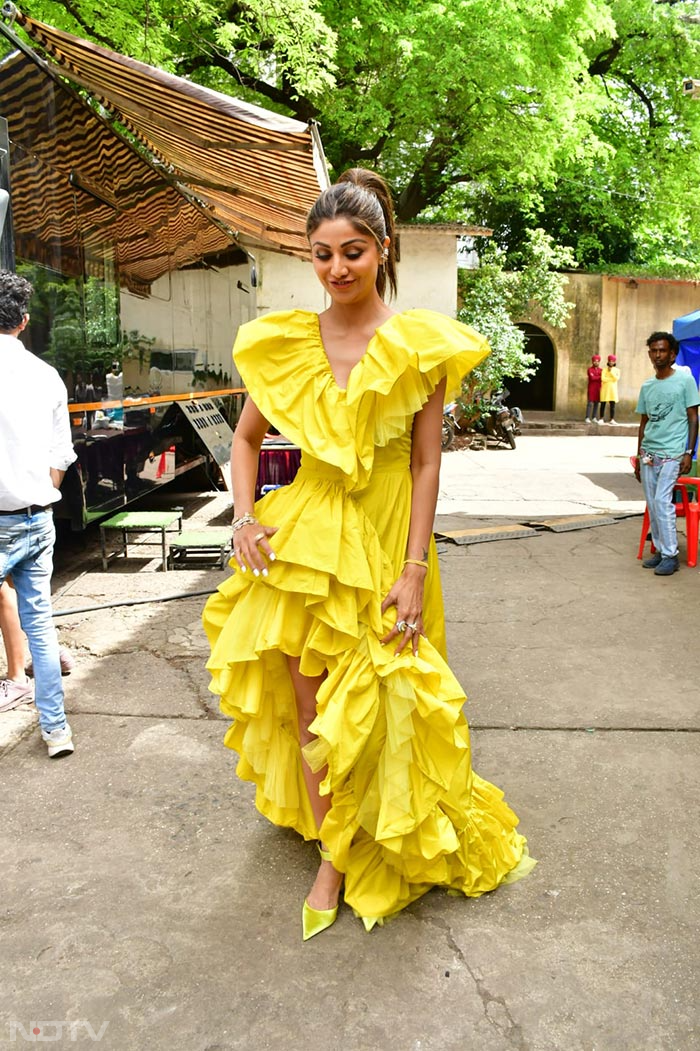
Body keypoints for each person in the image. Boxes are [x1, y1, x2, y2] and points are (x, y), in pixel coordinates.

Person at [203, 169, 535, 940]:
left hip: (390, 540)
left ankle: (372, 833)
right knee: (311, 705)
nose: (336, 268)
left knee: (387, 702)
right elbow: (247, 440)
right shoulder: (289, 342)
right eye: (321, 255)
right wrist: (244, 518)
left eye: (352, 251)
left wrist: (414, 569)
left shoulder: (417, 346)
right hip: (308, 539)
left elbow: (426, 464)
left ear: (382, 250)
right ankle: (333, 851)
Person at [0, 270, 77, 756]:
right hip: (38, 517)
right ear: (24, 321)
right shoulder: (47, 376)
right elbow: (61, 455)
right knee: (41, 626)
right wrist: (38, 492)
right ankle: (56, 730)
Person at [634, 331, 699, 576]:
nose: (658, 355)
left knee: (662, 500)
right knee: (653, 502)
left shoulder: (685, 381)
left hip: (673, 453)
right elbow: (643, 423)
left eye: (663, 350)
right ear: (650, 353)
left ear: (672, 354)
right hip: (649, 452)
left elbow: (693, 419)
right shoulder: (648, 386)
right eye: (654, 350)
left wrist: (688, 452)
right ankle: (661, 551)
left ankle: (671, 555)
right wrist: (639, 457)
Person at [598, 354, 620, 424]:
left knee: (612, 405)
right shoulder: (604, 370)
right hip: (605, 389)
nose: (611, 362)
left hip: (612, 390)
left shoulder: (617, 370)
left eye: (612, 361)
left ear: (614, 362)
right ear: (608, 361)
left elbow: (616, 378)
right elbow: (603, 379)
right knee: (603, 404)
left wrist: (611, 372)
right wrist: (611, 379)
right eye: (610, 361)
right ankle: (601, 418)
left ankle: (612, 419)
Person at [585, 354, 602, 423]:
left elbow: (602, 378)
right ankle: (587, 417)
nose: (596, 362)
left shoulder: (601, 370)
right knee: (590, 403)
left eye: (597, 361)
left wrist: (597, 377)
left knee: (596, 403)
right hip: (591, 388)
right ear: (592, 362)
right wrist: (599, 377)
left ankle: (594, 417)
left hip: (598, 388)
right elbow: (592, 378)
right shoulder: (589, 369)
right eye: (595, 361)